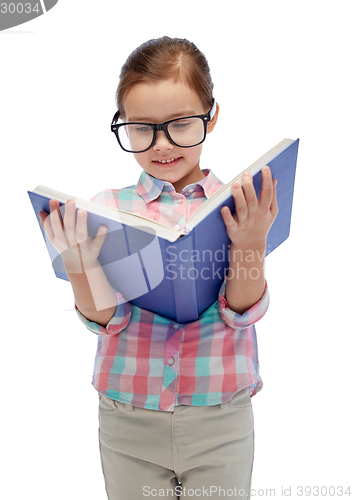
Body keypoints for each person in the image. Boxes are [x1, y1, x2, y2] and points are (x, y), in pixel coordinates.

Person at [39, 37, 278, 500]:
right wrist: (79, 264)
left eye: (181, 125)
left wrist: (250, 243)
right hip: (128, 419)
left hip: (220, 417)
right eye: (142, 129)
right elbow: (106, 321)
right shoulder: (108, 211)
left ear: (211, 117)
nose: (162, 145)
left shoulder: (238, 204)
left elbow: (242, 310)